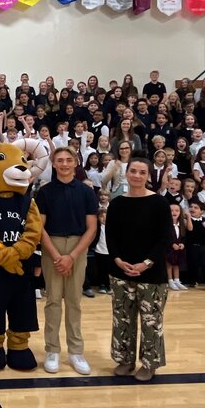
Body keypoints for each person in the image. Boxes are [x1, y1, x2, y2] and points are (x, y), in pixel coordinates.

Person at [105, 156, 173, 382]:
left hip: (151, 274)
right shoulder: (116, 203)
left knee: (150, 320)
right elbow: (111, 236)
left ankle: (149, 364)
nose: (137, 175)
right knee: (123, 319)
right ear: (126, 172)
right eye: (133, 171)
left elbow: (165, 239)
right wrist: (117, 260)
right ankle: (125, 360)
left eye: (142, 172)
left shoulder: (159, 204)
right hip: (121, 271)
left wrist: (146, 263)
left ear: (148, 176)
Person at [36, 147, 98, 376]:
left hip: (77, 247)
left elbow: (92, 227)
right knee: (52, 300)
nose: (64, 164)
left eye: (68, 160)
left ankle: (75, 351)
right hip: (52, 246)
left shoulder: (86, 191)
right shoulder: (44, 192)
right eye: (60, 160)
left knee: (74, 301)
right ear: (53, 163)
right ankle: (52, 350)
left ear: (75, 163)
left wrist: (72, 256)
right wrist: (55, 254)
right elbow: (39, 227)